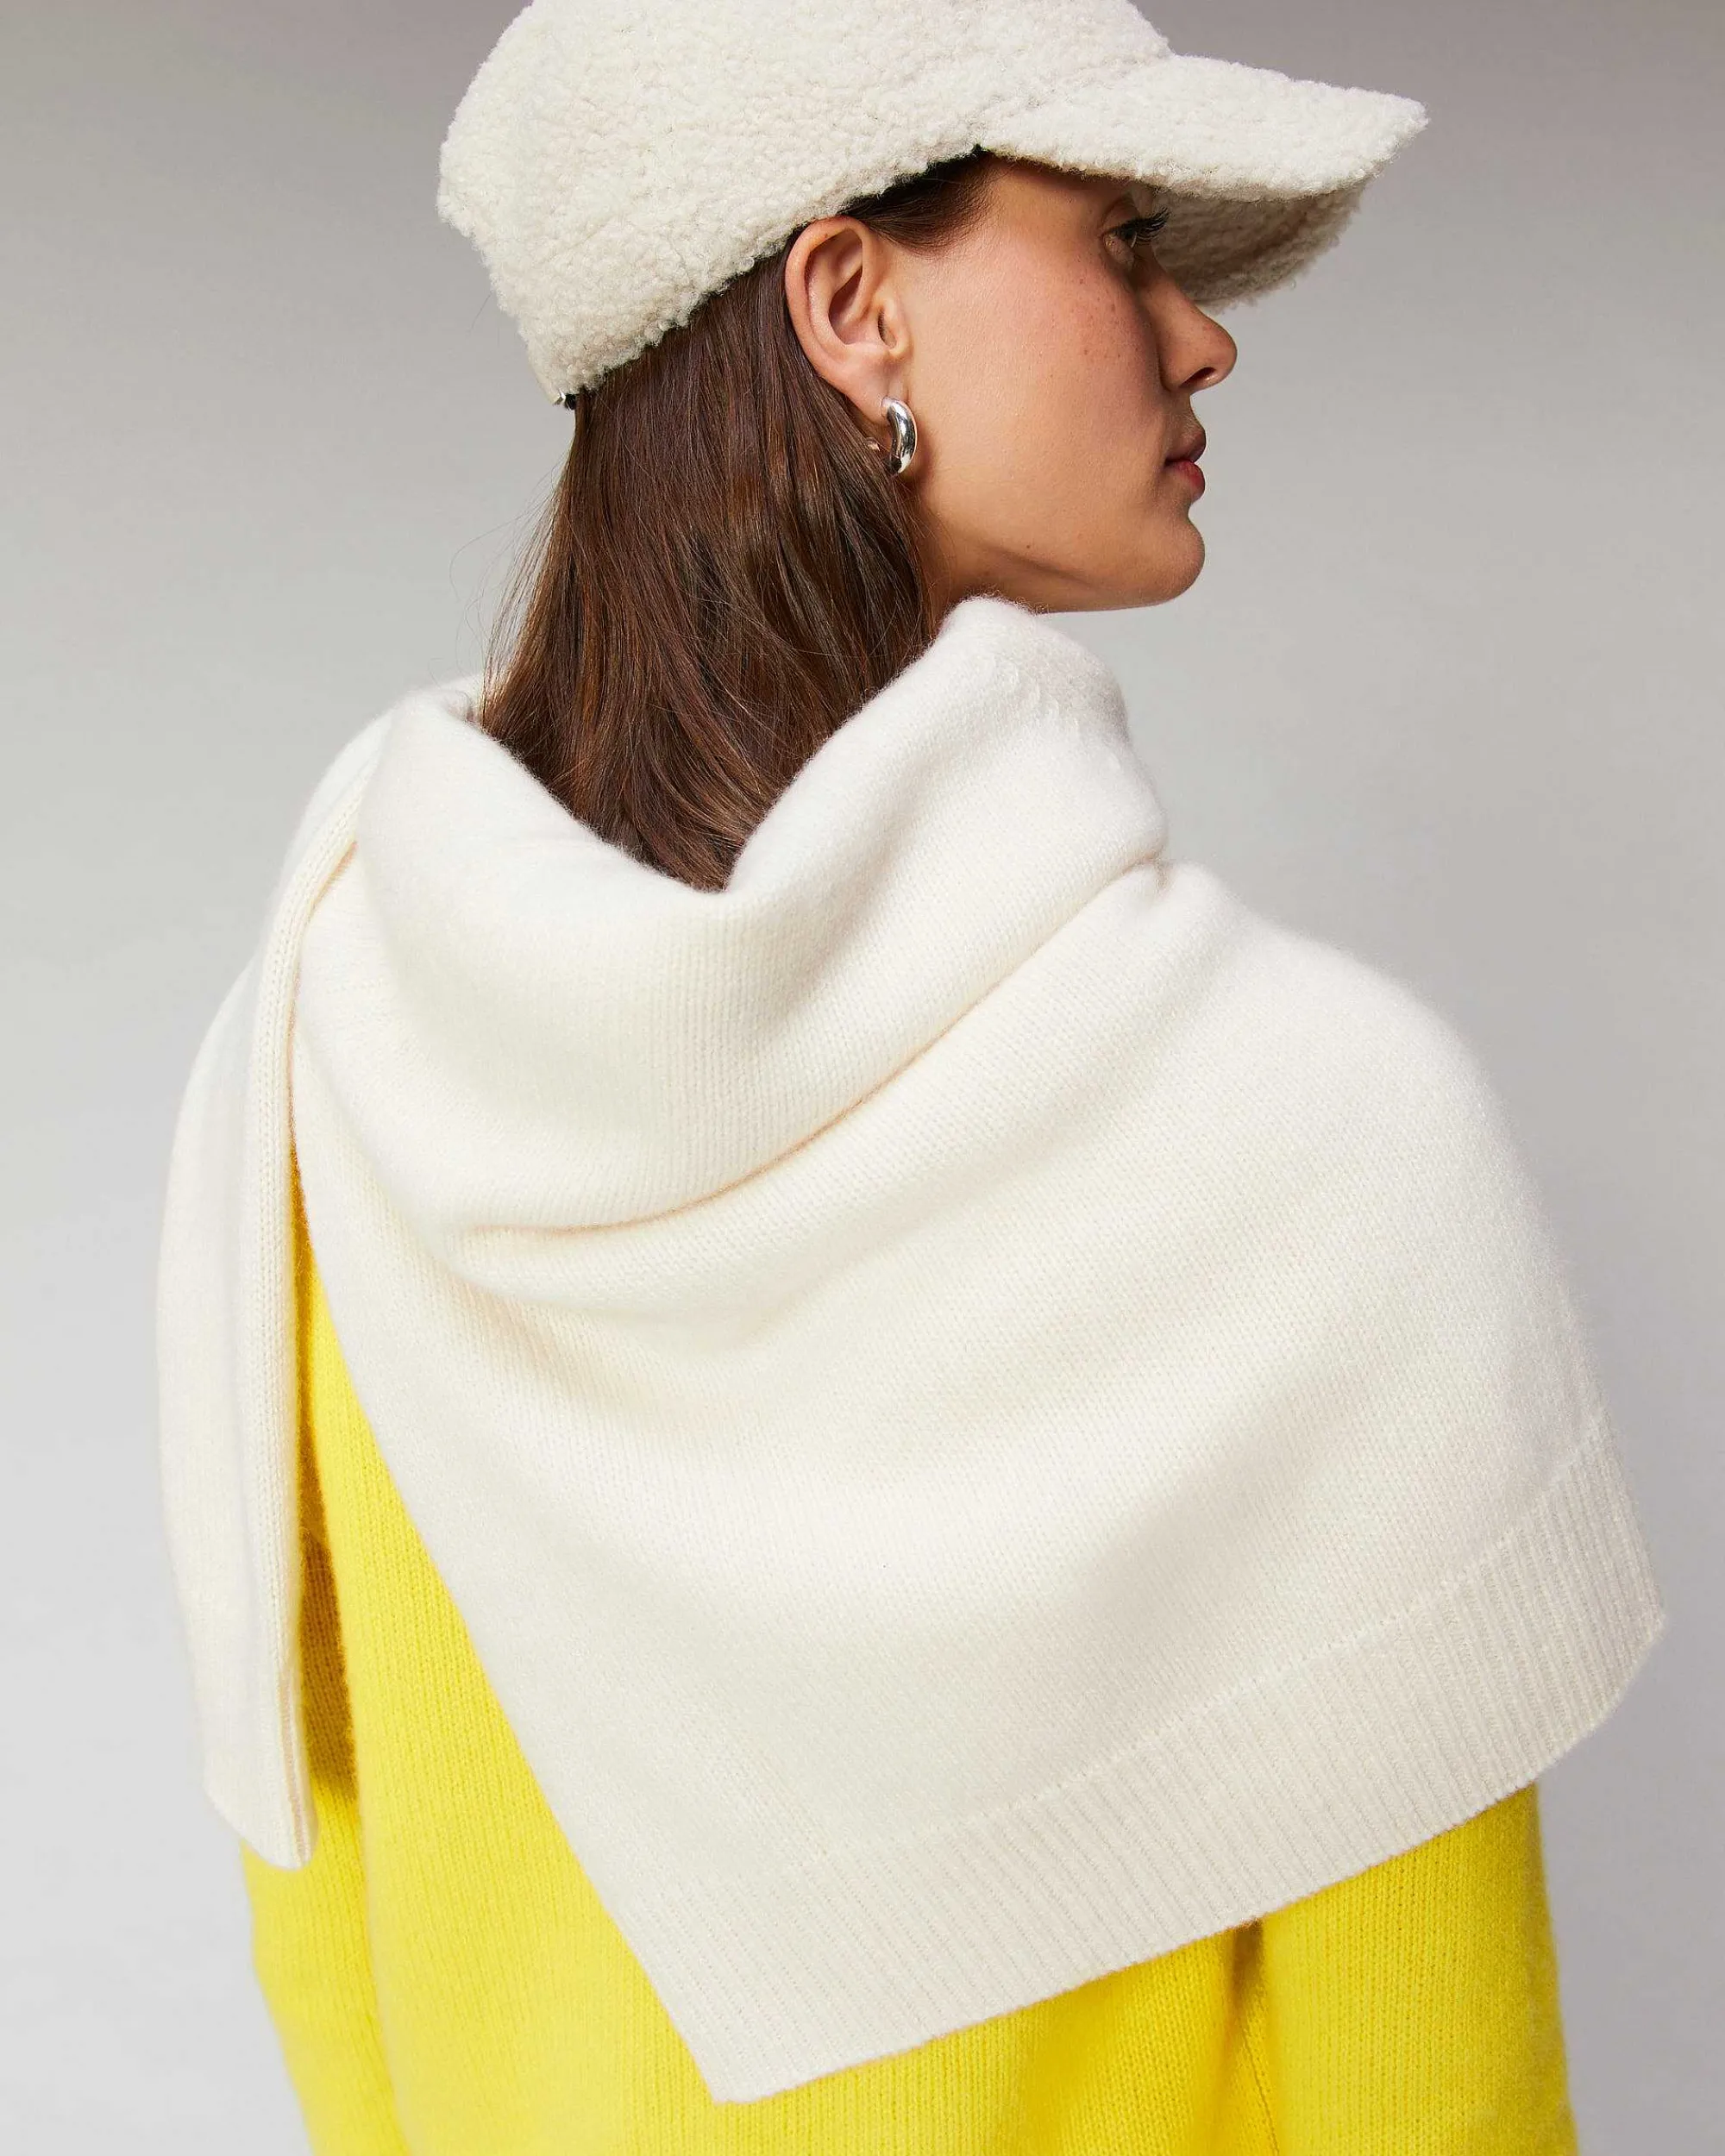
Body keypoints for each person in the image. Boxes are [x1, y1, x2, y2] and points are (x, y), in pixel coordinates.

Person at [155, 3, 1666, 2149]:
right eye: (1121, 235)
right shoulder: (1311, 1132)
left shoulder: (328, 1066)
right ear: (850, 302)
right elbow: (1432, 2091)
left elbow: (323, 1889)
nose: (1201, 337)